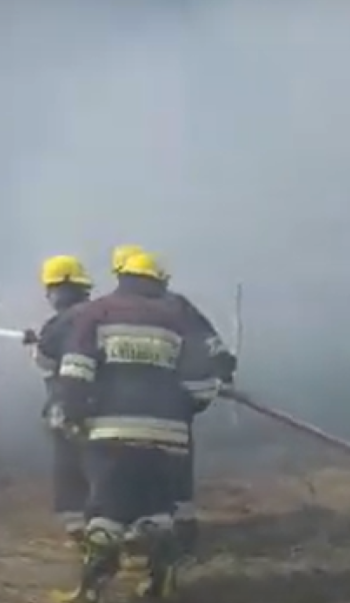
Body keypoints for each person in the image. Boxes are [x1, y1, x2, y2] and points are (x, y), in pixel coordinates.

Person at [48, 251, 223, 602]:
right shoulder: (177, 317)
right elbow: (202, 385)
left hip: (111, 433)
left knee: (106, 514)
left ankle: (89, 592)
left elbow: (76, 369)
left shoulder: (98, 312)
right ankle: (159, 584)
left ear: (121, 276)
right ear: (159, 281)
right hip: (168, 437)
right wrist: (177, 412)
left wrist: (72, 414)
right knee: (157, 512)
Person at [109, 244, 238, 557]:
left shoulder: (112, 309)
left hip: (124, 410)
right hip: (173, 407)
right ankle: (176, 528)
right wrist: (217, 375)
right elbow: (212, 345)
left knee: (125, 470)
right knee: (173, 467)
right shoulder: (178, 307)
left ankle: (141, 531)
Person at [22, 255, 94, 546]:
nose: (48, 297)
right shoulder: (101, 315)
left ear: (60, 290)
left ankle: (77, 524)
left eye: (50, 290)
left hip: (68, 403)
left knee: (69, 463)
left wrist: (33, 345)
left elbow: (46, 362)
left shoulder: (60, 322)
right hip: (106, 404)